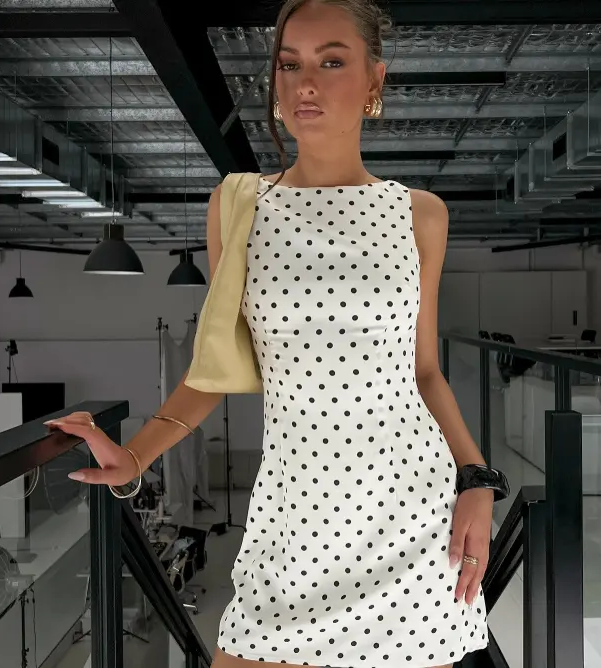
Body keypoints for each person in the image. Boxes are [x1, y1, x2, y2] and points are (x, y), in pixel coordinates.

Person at [47, 1, 506, 667]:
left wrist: (477, 480)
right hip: (296, 514)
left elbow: (424, 372)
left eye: (331, 62)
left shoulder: (420, 215)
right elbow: (213, 369)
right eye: (289, 65)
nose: (305, 83)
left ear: (375, 79)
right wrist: (136, 458)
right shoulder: (238, 205)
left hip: (409, 509)